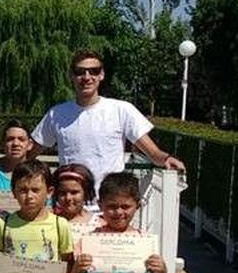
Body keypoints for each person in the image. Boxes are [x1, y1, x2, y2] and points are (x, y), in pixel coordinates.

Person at [31, 50, 184, 181]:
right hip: (71, 201)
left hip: (109, 201)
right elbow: (30, 154)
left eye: (94, 71)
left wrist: (166, 159)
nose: (87, 77)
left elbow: (153, 152)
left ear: (102, 75)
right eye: (80, 71)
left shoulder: (122, 109)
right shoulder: (56, 114)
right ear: (71, 75)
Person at [0, 120, 34, 193]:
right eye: (10, 139)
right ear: (2, 143)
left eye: (21, 139)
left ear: (30, 144)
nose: (15, 143)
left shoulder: (37, 173)